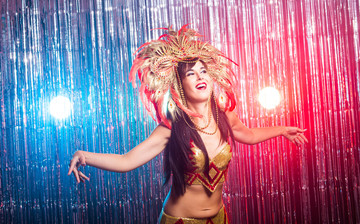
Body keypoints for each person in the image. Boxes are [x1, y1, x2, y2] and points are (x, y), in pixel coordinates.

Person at [68, 25, 308, 223]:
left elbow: (249, 134)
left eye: (203, 71)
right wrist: (84, 156)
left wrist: (282, 130)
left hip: (219, 219)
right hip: (180, 221)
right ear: (180, 85)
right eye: (191, 73)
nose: (200, 76)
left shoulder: (225, 116)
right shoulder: (172, 127)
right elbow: (127, 161)